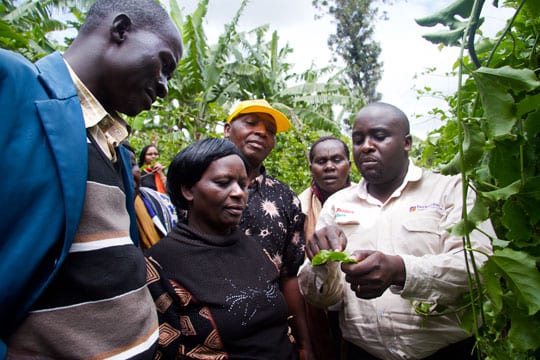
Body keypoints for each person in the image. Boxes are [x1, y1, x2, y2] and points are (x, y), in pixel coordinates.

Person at [0, 0, 183, 358]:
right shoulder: (12, 86)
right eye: (164, 65)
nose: (163, 88)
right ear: (120, 30)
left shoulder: (115, 148)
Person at [298, 102, 494, 360]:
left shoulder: (451, 190)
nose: (366, 146)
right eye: (358, 140)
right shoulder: (338, 204)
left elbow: (480, 267)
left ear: (407, 143)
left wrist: (401, 271)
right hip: (361, 354)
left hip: (449, 352)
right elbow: (326, 299)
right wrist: (319, 264)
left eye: (379, 136)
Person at [144, 138, 298, 359]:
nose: (238, 193)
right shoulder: (160, 266)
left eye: (242, 184)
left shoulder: (252, 247)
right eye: (223, 182)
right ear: (188, 190)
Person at [224, 99, 314, 359]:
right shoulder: (195, 184)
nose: (261, 132)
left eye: (270, 130)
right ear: (228, 129)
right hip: (206, 335)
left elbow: (289, 276)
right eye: (251, 123)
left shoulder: (285, 198)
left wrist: (304, 343)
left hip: (269, 338)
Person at [298, 136, 353, 360]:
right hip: (316, 306)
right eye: (321, 161)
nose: (329, 166)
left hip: (358, 302)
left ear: (349, 164)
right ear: (311, 168)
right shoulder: (297, 207)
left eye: (337, 159)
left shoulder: (370, 202)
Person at [124, 142, 177, 249]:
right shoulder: (141, 174)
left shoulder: (164, 171)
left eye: (156, 154)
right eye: (150, 154)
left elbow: (170, 190)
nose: (153, 156)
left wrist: (161, 173)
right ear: (144, 156)